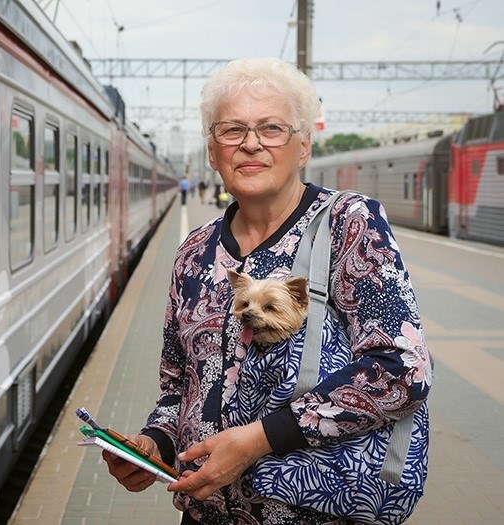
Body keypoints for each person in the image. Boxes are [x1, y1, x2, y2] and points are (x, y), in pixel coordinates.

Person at [102, 58, 431, 524]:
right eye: (232, 130)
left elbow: (403, 368)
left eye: (272, 128)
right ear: (213, 153)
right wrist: (155, 442)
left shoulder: (350, 226)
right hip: (206, 514)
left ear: (303, 147)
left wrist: (259, 439)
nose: (251, 143)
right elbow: (178, 387)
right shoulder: (194, 252)